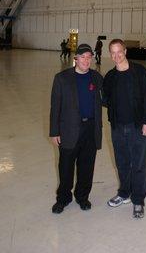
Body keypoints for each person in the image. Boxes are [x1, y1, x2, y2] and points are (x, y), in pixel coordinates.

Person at [103, 39, 146, 219]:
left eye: (119, 51)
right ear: (110, 54)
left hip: (138, 126)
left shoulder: (139, 71)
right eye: (113, 53)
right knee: (122, 163)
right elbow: (105, 100)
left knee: (138, 165)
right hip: (117, 127)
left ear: (125, 51)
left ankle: (138, 200)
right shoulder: (110, 76)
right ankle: (124, 193)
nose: (116, 56)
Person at [50, 43, 103, 214]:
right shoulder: (62, 78)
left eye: (89, 57)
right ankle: (63, 198)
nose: (86, 60)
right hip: (69, 130)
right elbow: (55, 107)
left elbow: (108, 98)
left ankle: (82, 196)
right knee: (65, 167)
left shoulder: (96, 77)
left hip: (90, 129)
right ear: (76, 59)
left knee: (87, 166)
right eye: (82, 57)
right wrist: (54, 131)